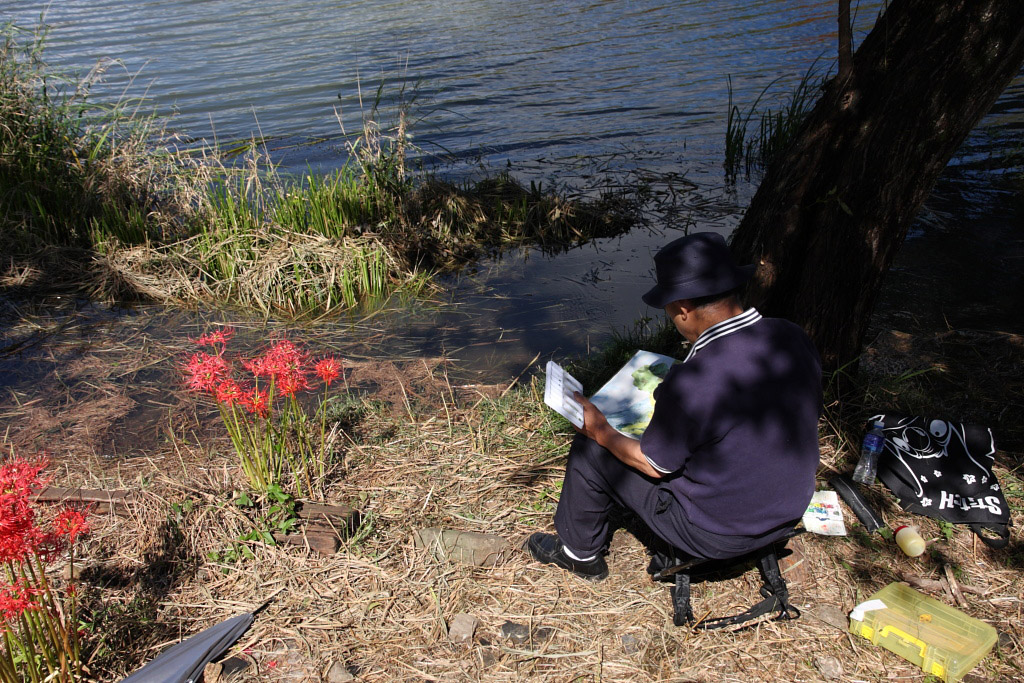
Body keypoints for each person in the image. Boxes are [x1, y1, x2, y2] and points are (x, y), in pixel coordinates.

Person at [527, 232, 822, 581]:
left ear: (682, 308)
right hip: (787, 511)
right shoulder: (791, 335)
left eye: (667, 308)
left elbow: (655, 467)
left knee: (591, 448)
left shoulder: (696, 379)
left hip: (720, 535)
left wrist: (600, 430)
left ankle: (578, 553)